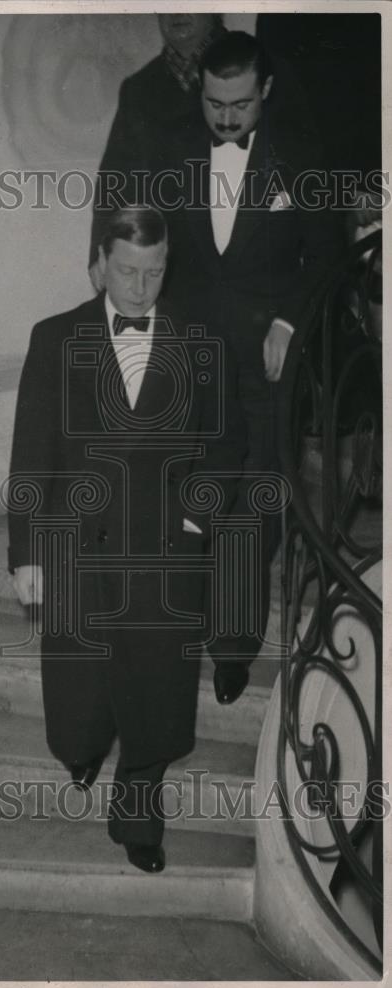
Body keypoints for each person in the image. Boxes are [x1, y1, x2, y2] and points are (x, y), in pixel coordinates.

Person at [7, 206, 245, 873]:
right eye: (127, 271)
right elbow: (31, 449)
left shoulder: (201, 339)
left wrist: (196, 516)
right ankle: (82, 747)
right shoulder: (55, 338)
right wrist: (25, 549)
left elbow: (226, 445)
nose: (141, 287)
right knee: (79, 686)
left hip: (163, 544)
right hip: (75, 539)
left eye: (155, 271)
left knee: (157, 683)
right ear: (98, 264)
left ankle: (138, 807)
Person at [165, 31, 343, 702]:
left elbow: (327, 255)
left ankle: (232, 646)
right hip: (192, 361)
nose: (226, 118)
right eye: (214, 103)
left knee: (251, 509)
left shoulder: (298, 156)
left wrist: (289, 320)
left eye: (239, 104)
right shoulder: (173, 151)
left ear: (263, 91)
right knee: (194, 497)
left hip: (266, 369)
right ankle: (171, 628)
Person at [88, 13, 225, 286]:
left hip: (240, 274)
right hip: (164, 276)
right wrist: (100, 251)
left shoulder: (255, 69)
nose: (177, 11)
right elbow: (114, 179)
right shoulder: (137, 89)